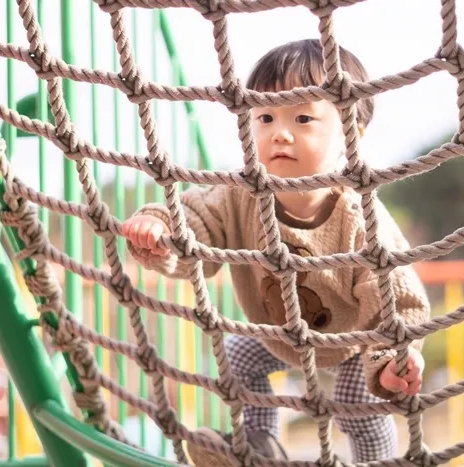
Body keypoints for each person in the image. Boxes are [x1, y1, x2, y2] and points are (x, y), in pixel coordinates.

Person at [121, 39, 430, 465]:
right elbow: (196, 219)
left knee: (355, 403)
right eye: (265, 117)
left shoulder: (360, 218)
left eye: (302, 117)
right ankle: (260, 450)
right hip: (280, 335)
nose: (279, 132)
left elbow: (398, 296)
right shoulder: (241, 195)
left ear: (352, 134)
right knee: (236, 355)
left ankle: (377, 462)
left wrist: (396, 357)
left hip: (357, 339)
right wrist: (160, 227)